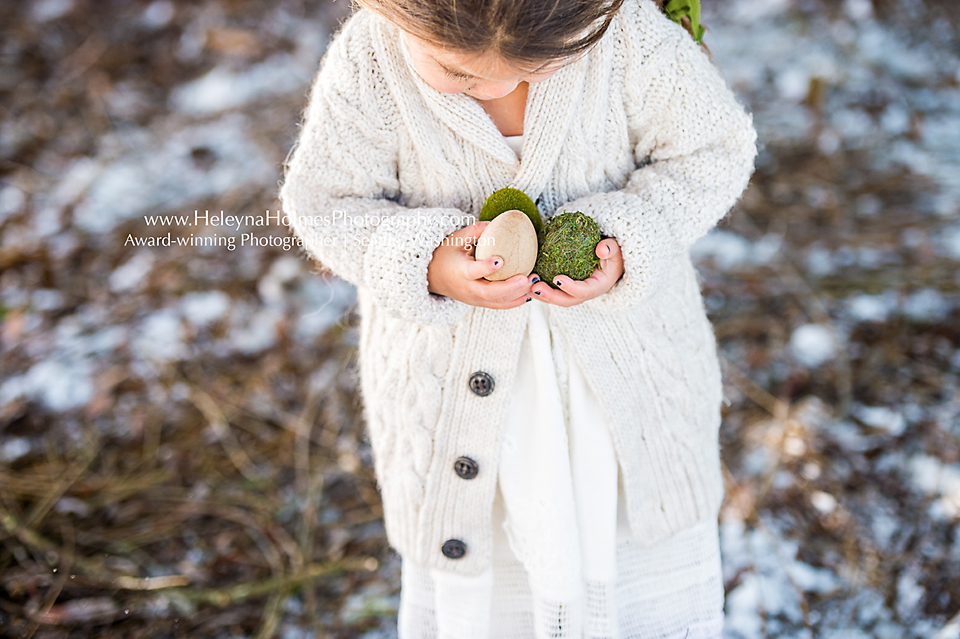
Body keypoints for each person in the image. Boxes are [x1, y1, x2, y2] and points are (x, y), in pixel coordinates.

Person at [280, 0, 757, 636]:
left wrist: (628, 239)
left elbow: (711, 148)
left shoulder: (625, 34)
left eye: (537, 66)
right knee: (494, 582)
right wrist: (427, 262)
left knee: (626, 565)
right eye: (458, 71)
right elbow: (324, 203)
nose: (500, 86)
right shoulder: (372, 59)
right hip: (470, 420)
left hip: (615, 410)